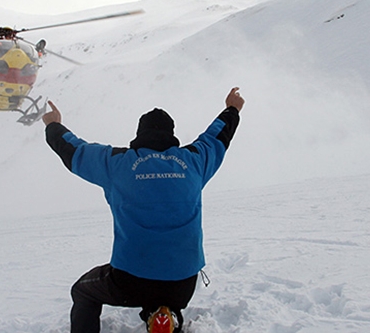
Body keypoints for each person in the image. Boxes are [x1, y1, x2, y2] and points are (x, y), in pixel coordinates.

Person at [42, 87, 245, 333]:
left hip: (131, 280)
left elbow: (75, 151)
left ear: (140, 134)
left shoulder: (116, 163)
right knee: (165, 289)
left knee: (83, 291)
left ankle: (157, 313)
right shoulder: (194, 161)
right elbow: (217, 137)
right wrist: (232, 109)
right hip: (183, 283)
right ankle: (165, 315)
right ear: (172, 134)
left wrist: (54, 125)